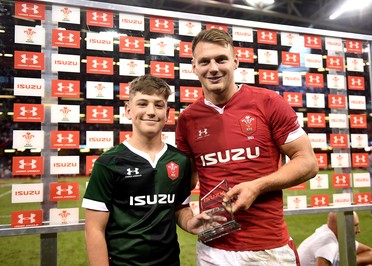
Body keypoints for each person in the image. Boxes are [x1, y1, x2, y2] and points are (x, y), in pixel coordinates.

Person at [176, 28, 319, 265]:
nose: (213, 68)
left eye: (221, 59)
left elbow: (308, 162)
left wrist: (257, 186)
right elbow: (183, 183)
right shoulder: (187, 120)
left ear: (235, 62)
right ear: (194, 66)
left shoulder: (268, 102)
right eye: (204, 61)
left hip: (267, 248)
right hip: (212, 249)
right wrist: (183, 217)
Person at [82, 75, 219, 266]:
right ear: (128, 110)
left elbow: (179, 207)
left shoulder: (180, 161)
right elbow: (94, 228)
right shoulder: (108, 162)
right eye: (142, 104)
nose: (151, 112)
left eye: (158, 105)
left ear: (168, 113)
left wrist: (189, 222)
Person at [297, 212, 372, 266]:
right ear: (341, 226)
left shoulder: (332, 233)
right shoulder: (328, 244)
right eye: (355, 226)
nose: (359, 230)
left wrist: (346, 262)